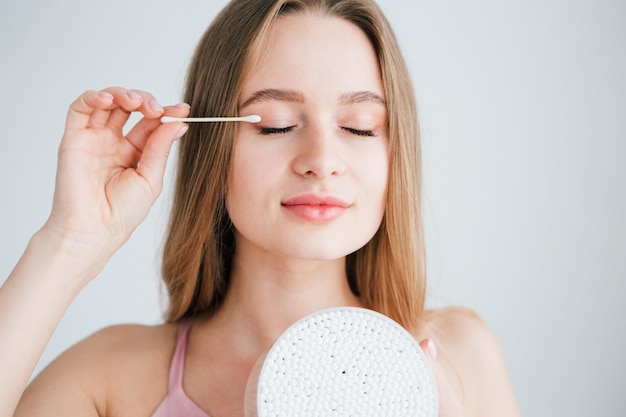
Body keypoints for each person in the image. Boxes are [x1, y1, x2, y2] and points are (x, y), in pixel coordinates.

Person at [0, 0, 520, 416]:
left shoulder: (461, 358)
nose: (321, 160)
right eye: (273, 125)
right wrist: (70, 241)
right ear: (212, 152)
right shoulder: (112, 378)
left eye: (360, 125)